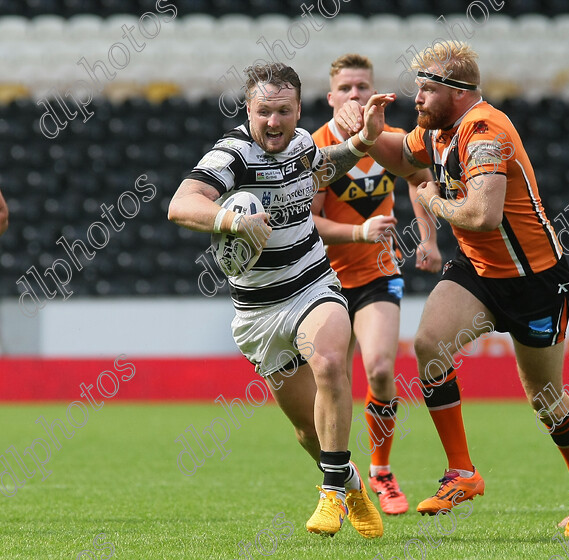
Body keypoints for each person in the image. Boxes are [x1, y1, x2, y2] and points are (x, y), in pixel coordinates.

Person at [336, 41, 569, 536]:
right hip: (479, 271)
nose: (417, 96)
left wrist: (432, 203)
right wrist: (369, 137)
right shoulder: (437, 131)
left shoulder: (485, 132)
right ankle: (462, 471)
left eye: (427, 88)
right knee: (428, 344)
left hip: (534, 281)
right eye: (417, 86)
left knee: (546, 398)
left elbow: (483, 215)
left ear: (458, 92)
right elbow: (400, 153)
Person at [168, 62, 396, 538]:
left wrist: (361, 143)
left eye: (284, 111)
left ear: (298, 110)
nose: (274, 122)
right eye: (264, 111)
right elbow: (181, 203)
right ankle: (349, 482)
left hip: (314, 284)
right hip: (260, 311)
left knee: (331, 360)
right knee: (308, 432)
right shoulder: (233, 153)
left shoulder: (302, 143)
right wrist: (231, 221)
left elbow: (320, 171)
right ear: (248, 110)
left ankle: (330, 494)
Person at [310, 53, 442, 516]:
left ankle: (381, 472)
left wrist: (428, 237)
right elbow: (309, 222)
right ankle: (339, 484)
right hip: (323, 282)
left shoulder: (385, 140)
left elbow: (420, 178)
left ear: (374, 92)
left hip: (376, 274)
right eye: (345, 88)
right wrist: (360, 232)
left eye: (362, 87)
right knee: (333, 383)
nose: (354, 95)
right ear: (330, 97)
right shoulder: (316, 147)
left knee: (382, 370)